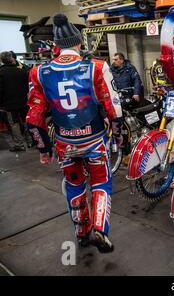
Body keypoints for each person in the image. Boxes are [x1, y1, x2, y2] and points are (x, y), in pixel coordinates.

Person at [26, 13, 123, 253]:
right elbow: (113, 106)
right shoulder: (97, 67)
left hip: (65, 143)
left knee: (74, 184)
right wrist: (119, 135)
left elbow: (33, 115)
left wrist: (43, 148)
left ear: (56, 46)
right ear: (78, 42)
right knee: (101, 181)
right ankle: (100, 230)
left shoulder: (38, 72)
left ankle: (81, 233)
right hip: (94, 140)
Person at [0, 51, 30, 152]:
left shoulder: (1, 72)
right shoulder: (21, 71)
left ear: (2, 60)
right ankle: (31, 141)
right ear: (12, 58)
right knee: (26, 121)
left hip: (10, 104)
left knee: (14, 123)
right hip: (24, 102)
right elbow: (28, 87)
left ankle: (19, 145)